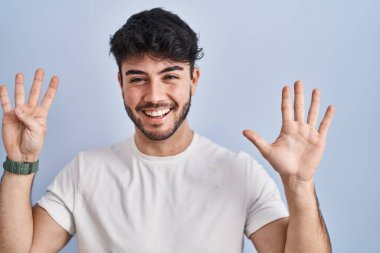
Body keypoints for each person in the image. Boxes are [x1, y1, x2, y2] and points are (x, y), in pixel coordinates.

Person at [0, 7, 334, 253]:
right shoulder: (84, 172)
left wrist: (299, 184)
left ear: (194, 80)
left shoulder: (240, 173)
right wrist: (20, 161)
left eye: (170, 76)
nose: (154, 96)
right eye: (137, 78)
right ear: (120, 83)